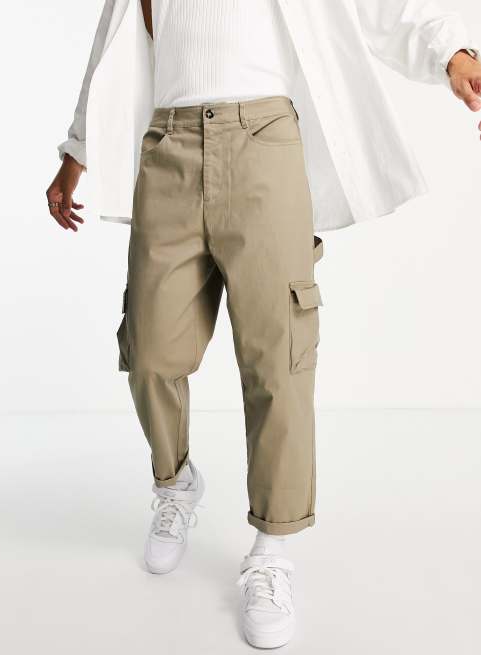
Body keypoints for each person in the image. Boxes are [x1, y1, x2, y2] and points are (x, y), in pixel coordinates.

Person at [46, 0, 481, 648]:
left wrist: (452, 53)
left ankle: (271, 551)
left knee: (277, 355)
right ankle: (174, 482)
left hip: (264, 140)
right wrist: (76, 152)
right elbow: (110, 40)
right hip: (167, 145)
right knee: (149, 348)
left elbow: (379, 7)